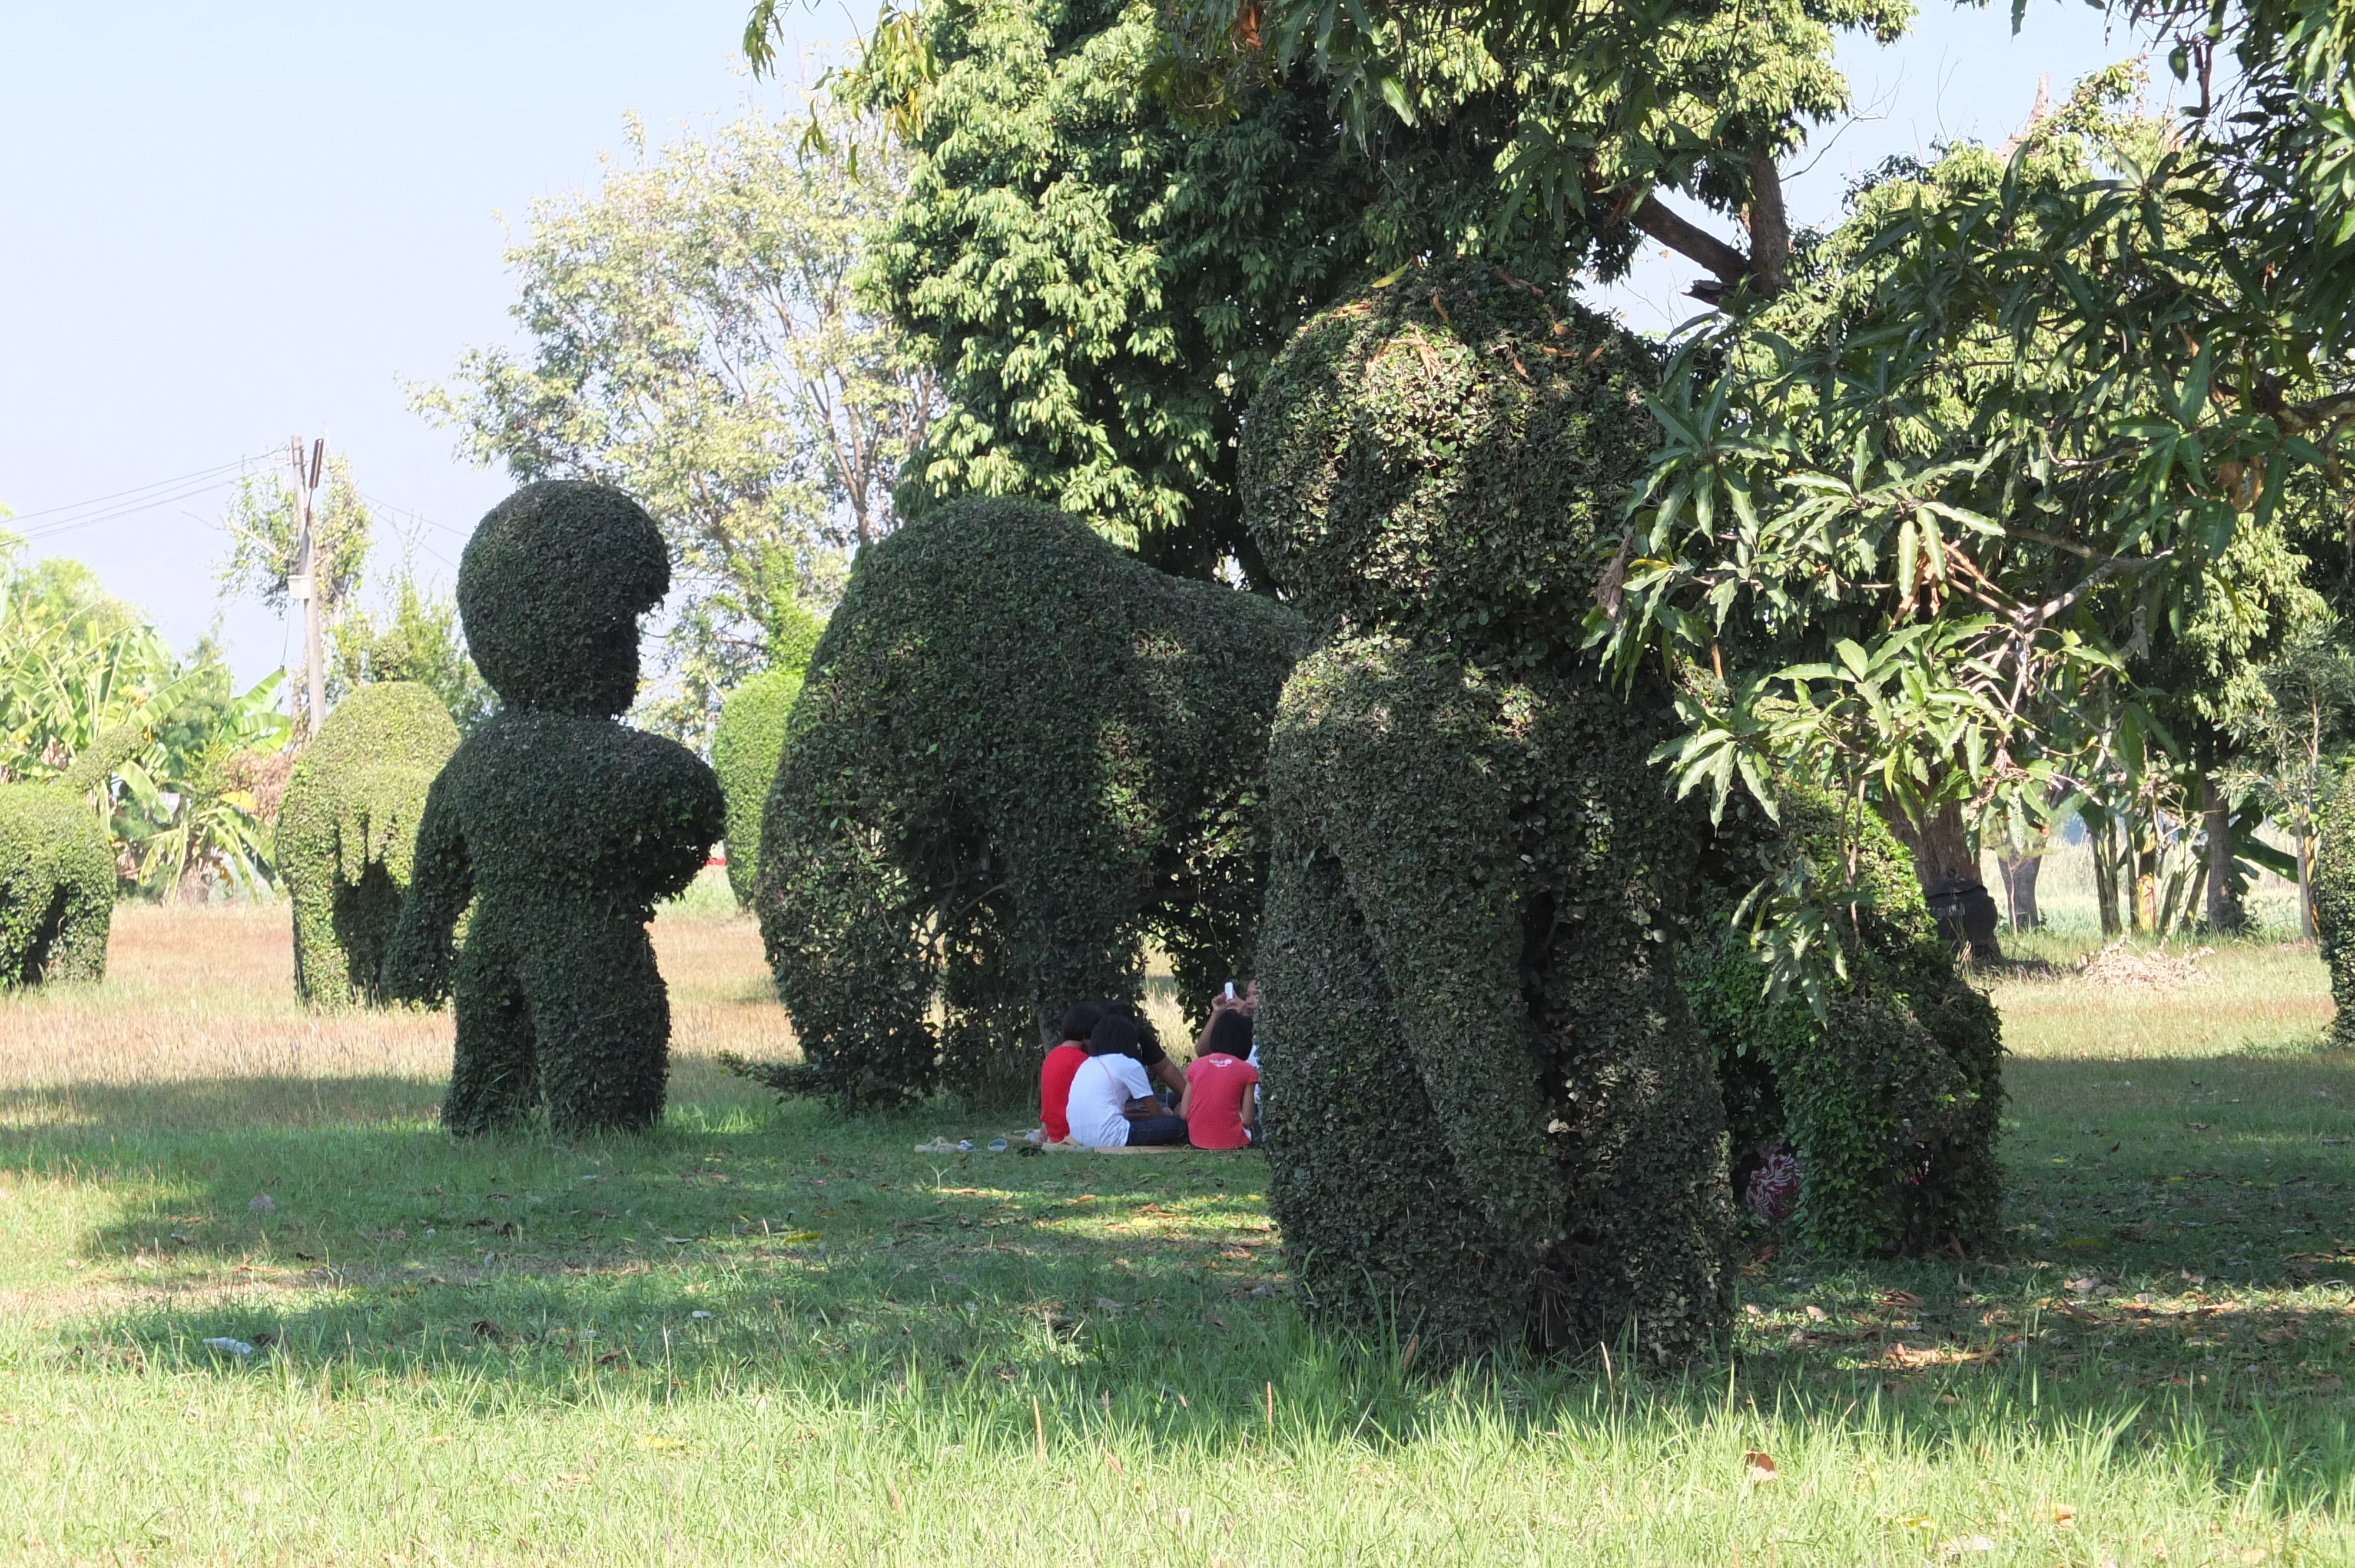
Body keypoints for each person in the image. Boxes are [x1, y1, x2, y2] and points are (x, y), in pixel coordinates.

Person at [1064, 1012, 1188, 1147]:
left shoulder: (1088, 1064)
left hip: (1079, 1137)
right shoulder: (1128, 1064)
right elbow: (1156, 1113)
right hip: (1113, 1137)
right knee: (1180, 1123)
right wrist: (1166, 1115)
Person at [1185, 1007, 1261, 1149]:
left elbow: (1184, 1113)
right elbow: (1248, 1120)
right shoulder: (1248, 1070)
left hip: (1197, 1140)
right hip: (1234, 1142)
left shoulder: (1195, 1066)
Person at [1037, 999, 1104, 1144]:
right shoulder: (1084, 1062)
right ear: (1089, 1033)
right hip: (1072, 1133)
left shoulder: (1052, 1056)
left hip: (1054, 1132)